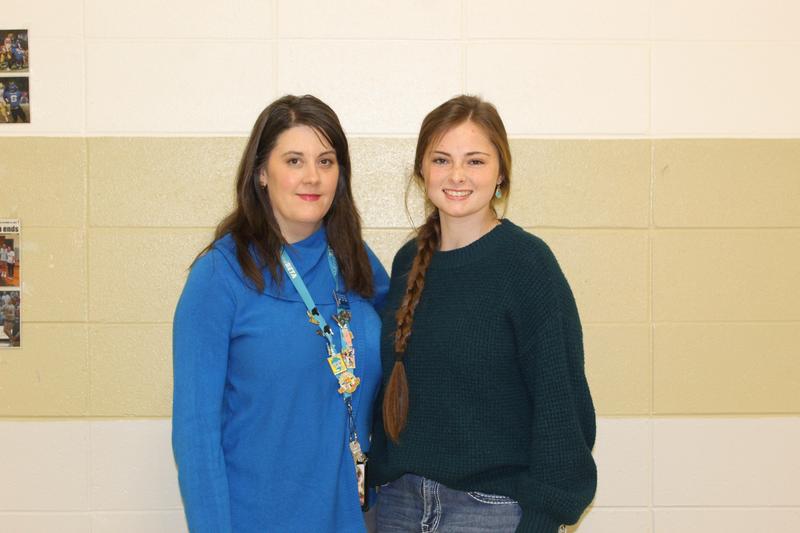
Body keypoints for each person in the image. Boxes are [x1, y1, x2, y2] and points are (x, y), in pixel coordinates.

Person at [368, 95, 597, 533]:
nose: (457, 175)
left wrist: (544, 518)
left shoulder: (527, 266)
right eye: (441, 159)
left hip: (490, 512)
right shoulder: (406, 263)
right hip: (400, 505)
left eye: (475, 161)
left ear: (500, 174)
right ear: (422, 171)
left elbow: (561, 404)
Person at [172, 95, 389, 533]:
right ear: (261, 174)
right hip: (259, 519)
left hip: (353, 518)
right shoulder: (220, 274)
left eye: (326, 162)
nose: (312, 177)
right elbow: (196, 435)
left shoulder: (355, 260)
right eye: (294, 160)